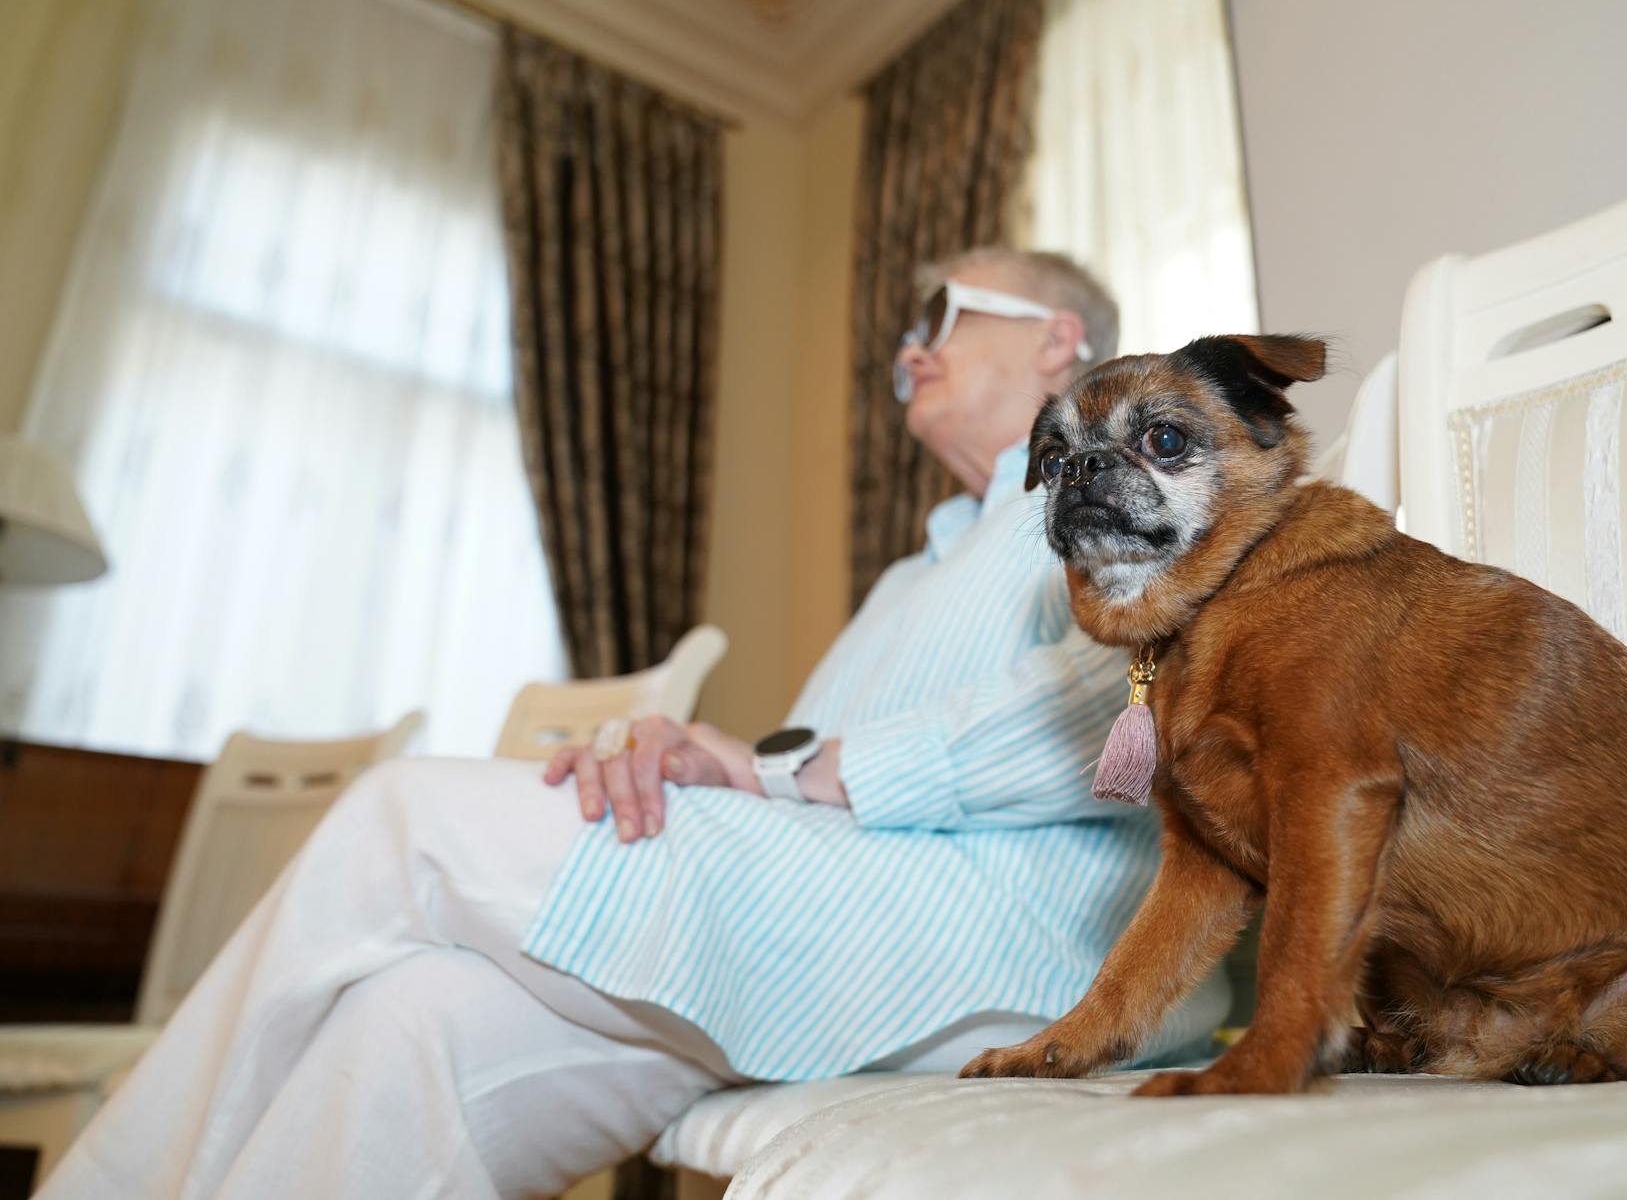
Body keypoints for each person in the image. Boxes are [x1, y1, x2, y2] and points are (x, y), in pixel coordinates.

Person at [42, 248, 1230, 1200]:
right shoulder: (906, 577)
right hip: (827, 910)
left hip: (1031, 935)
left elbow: (1135, 696)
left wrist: (803, 771)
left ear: (1056, 339)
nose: (908, 348)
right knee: (411, 1018)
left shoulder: (1133, 491)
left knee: (401, 812)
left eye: (941, 311)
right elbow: (794, 769)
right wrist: (709, 762)